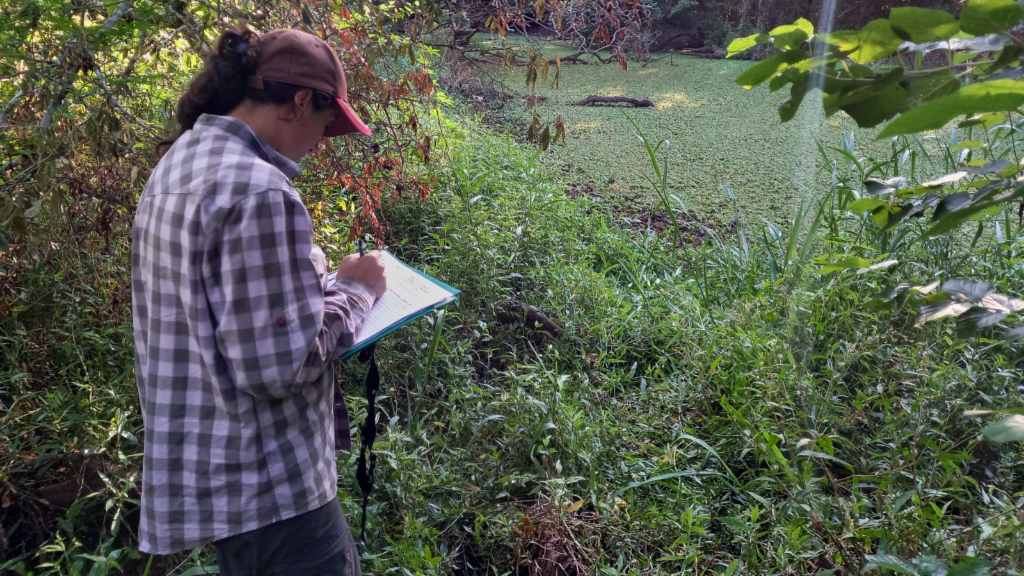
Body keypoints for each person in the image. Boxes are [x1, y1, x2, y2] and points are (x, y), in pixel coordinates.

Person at [131, 27, 386, 575]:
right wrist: (357, 290)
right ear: (299, 103)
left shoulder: (180, 162)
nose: (323, 140)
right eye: (327, 122)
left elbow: (224, 314)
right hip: (272, 488)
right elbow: (279, 366)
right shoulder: (261, 192)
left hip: (216, 474)